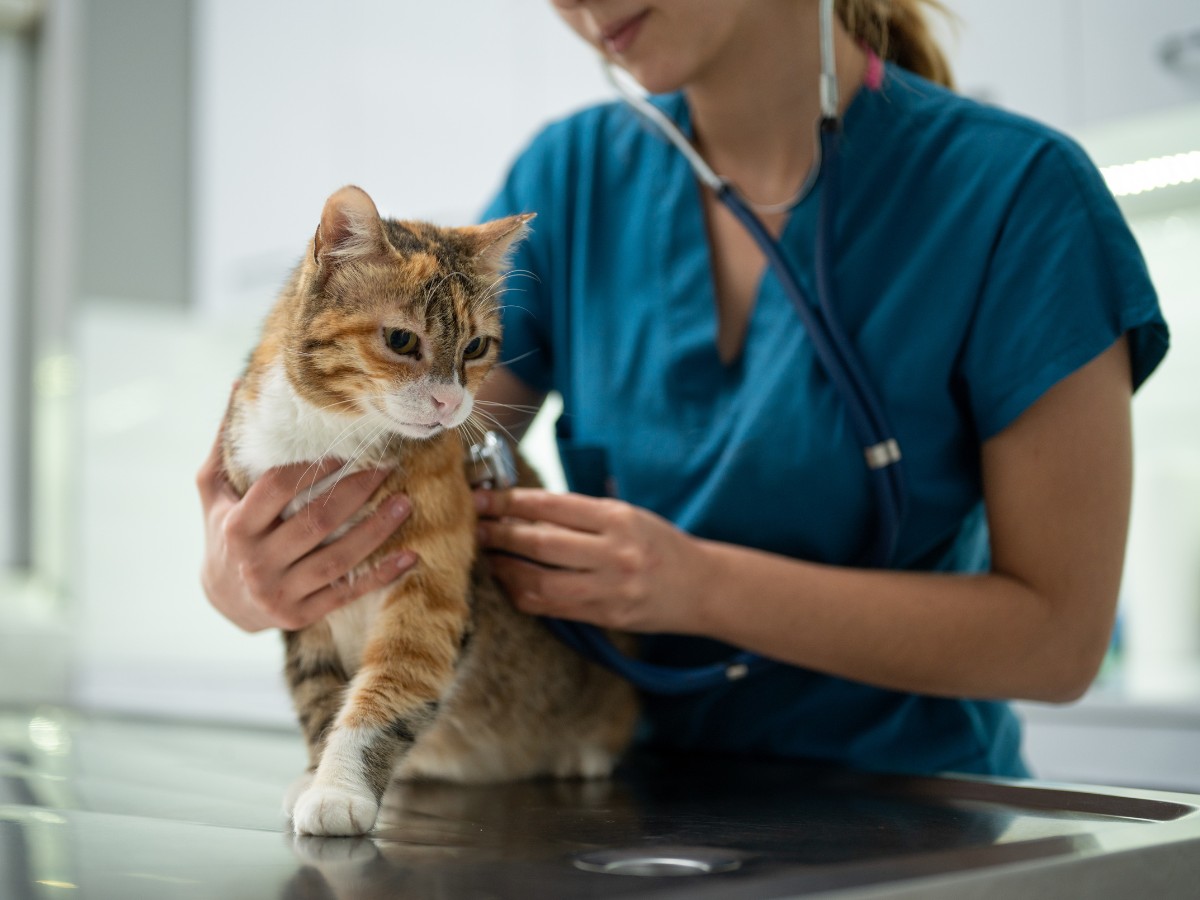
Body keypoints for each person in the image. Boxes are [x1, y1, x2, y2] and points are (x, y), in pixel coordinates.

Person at [196, 0, 1169, 778]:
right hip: (621, 797)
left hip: (920, 816)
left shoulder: (1022, 199)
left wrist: (699, 586)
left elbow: (1059, 642)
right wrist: (250, 577)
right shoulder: (573, 176)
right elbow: (409, 456)